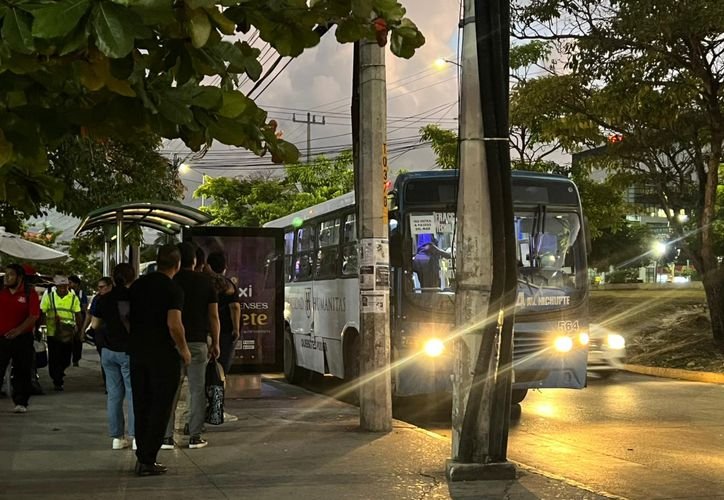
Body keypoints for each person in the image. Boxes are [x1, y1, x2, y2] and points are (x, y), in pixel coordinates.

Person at [129, 245, 191, 476]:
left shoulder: (138, 285)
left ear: (157, 261)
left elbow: (125, 316)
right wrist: (184, 350)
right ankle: (148, 460)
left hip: (137, 354)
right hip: (163, 356)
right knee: (160, 407)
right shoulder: (174, 289)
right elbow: (174, 323)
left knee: (141, 405)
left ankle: (141, 456)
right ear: (176, 265)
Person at [162, 242, 220, 451]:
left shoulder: (170, 281)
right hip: (197, 342)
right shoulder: (206, 283)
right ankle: (195, 436)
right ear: (195, 261)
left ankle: (166, 437)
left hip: (171, 343)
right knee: (197, 390)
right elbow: (213, 316)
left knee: (171, 389)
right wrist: (216, 342)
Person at [92, 265, 135, 450]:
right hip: (127, 351)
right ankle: (135, 437)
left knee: (114, 395)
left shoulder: (103, 299)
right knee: (133, 394)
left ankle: (117, 438)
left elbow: (94, 325)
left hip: (108, 351)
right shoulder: (134, 297)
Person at [0, 264, 40, 413]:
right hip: (2, 338)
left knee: (22, 370)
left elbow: (34, 316)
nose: (7, 277)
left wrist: (18, 330)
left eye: (11, 274)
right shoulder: (1, 291)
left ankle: (21, 402)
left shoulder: (29, 293)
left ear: (19, 277)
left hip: (22, 338)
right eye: (6, 274)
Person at [40, 275, 82, 391]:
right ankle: (57, 379)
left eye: (65, 286)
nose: (63, 289)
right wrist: (40, 327)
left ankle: (60, 371)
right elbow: (42, 312)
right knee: (54, 356)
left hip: (67, 332)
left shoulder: (73, 298)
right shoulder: (50, 297)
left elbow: (78, 314)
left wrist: (80, 330)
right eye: (60, 286)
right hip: (53, 331)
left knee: (66, 358)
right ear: (56, 286)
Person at [206, 251, 240, 375]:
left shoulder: (204, 283)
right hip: (226, 330)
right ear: (224, 267)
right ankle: (218, 388)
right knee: (222, 365)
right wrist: (236, 329)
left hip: (206, 330)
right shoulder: (228, 286)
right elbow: (235, 307)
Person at [68, 275, 89, 367]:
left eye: (71, 283)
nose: (69, 285)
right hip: (69, 319)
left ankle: (76, 359)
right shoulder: (67, 293)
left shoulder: (81, 294)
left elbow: (84, 309)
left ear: (76, 284)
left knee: (77, 341)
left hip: (79, 318)